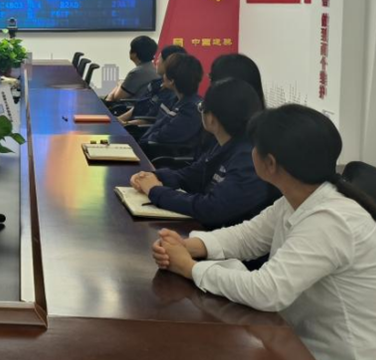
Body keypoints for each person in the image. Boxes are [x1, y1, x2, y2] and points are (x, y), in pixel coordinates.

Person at [151, 105, 376, 360]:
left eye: (254, 147)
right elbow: (248, 236)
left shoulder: (331, 221)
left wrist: (190, 269)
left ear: (270, 163)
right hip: (309, 351)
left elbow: (267, 292)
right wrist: (189, 246)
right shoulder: (301, 198)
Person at [129, 79, 278, 227]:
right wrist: (155, 176)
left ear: (212, 118)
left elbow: (210, 208)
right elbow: (191, 175)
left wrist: (155, 191)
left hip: (222, 235)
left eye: (201, 107)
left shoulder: (248, 159)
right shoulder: (223, 143)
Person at [139, 53, 204, 147]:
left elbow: (163, 136)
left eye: (165, 73)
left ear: (171, 81)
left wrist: (144, 141)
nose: (163, 77)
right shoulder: (173, 99)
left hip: (157, 152)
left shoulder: (191, 109)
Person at [118, 44, 186, 124]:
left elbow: (150, 120)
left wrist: (125, 124)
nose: (156, 62)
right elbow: (138, 106)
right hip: (131, 123)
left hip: (139, 128)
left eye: (159, 59)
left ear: (168, 63)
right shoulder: (155, 83)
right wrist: (118, 120)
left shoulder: (173, 93)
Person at [104, 36, 159, 103]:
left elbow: (117, 97)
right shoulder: (153, 68)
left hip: (130, 107)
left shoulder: (137, 73)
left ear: (134, 54)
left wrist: (119, 84)